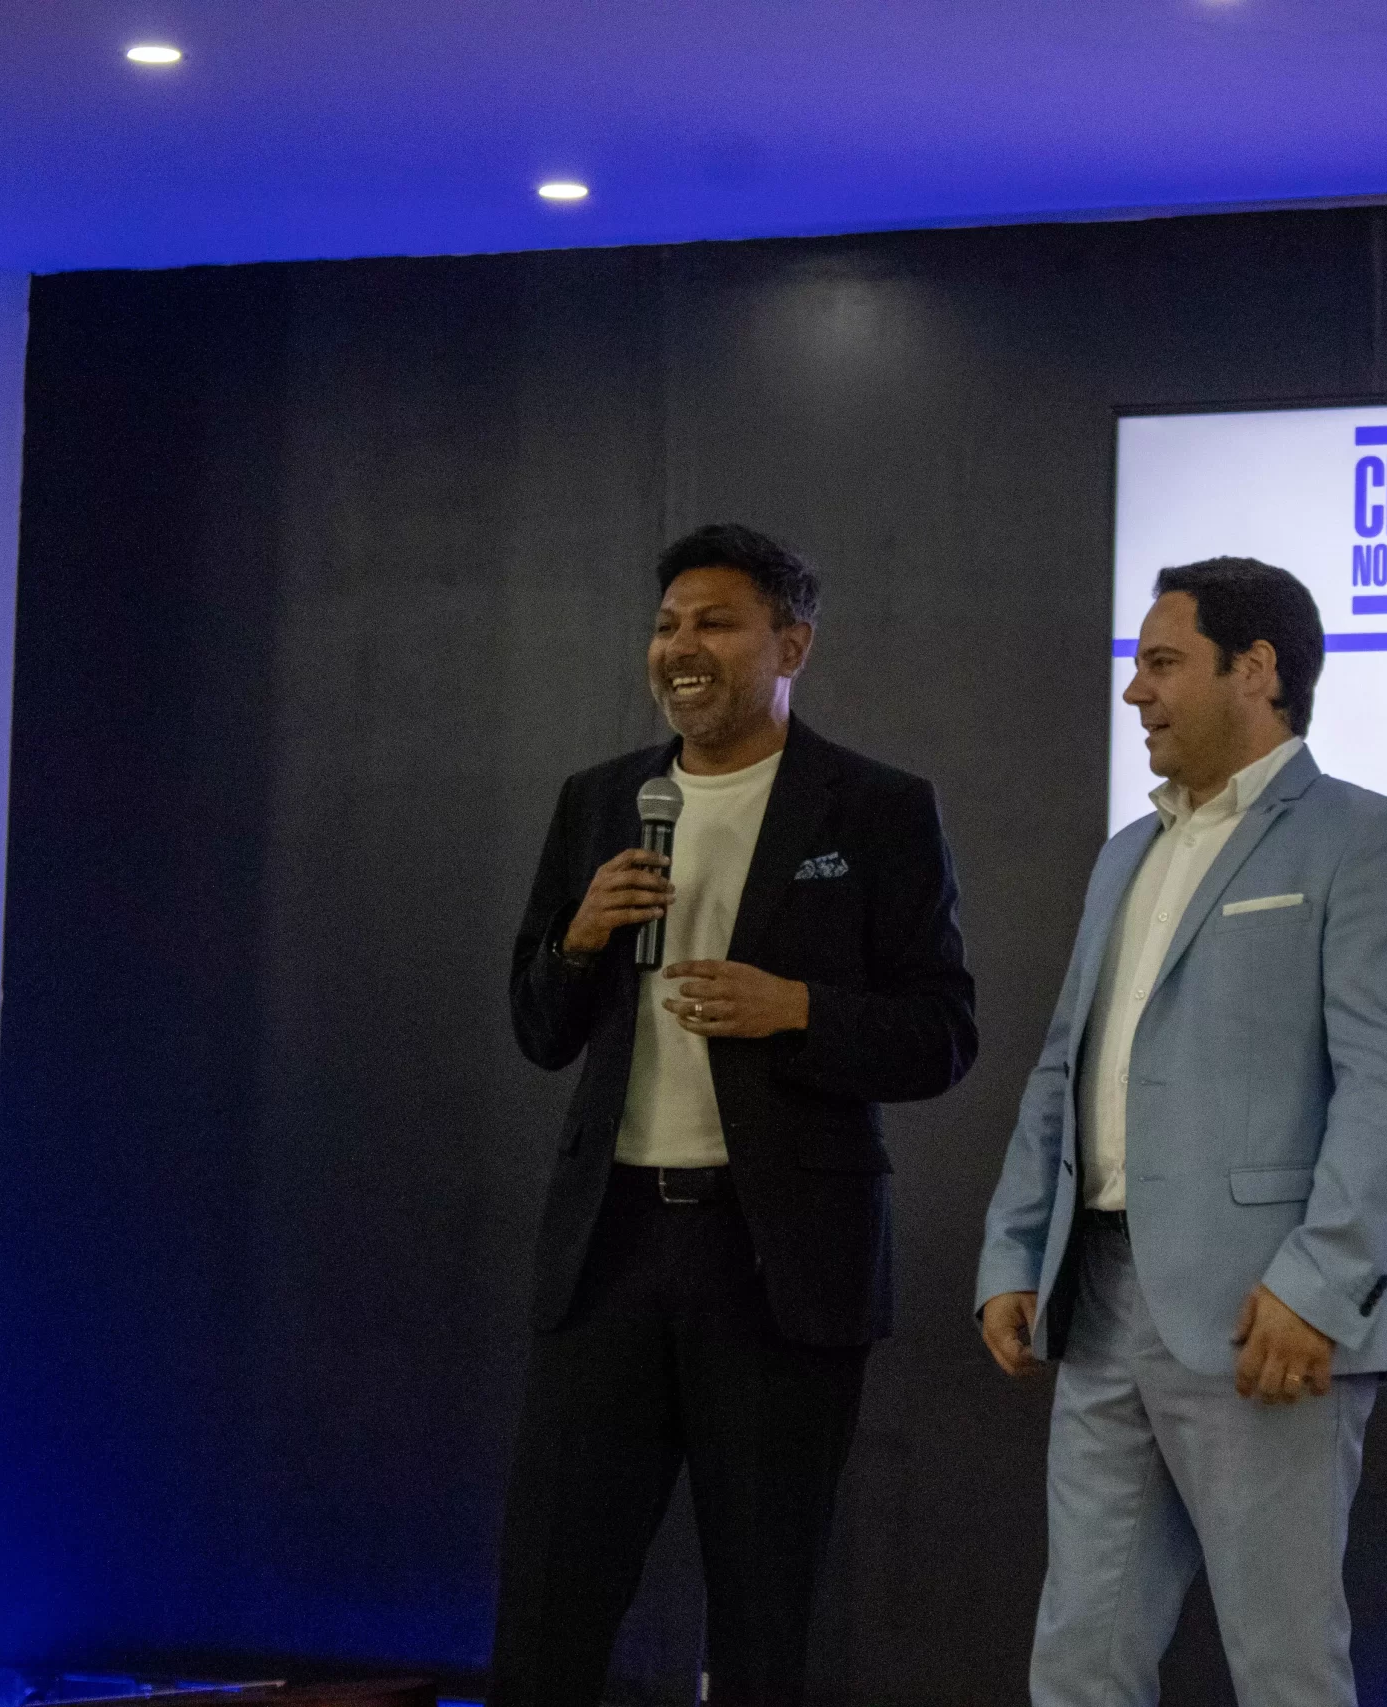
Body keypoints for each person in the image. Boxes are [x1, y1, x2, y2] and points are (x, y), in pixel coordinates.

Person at [491, 524, 978, 1707]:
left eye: (715, 622)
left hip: (777, 1261)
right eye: (666, 625)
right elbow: (539, 1029)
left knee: (765, 1614)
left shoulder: (874, 809)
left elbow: (941, 1034)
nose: (680, 648)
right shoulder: (602, 801)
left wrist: (796, 1008)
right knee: (551, 1601)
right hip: (609, 1249)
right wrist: (578, 939)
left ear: (790, 645)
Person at [974, 557, 1387, 1706]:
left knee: (1283, 1668)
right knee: (1079, 1659)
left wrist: (1319, 1286)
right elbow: (1063, 1065)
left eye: (1161, 662)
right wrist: (1013, 1250)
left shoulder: (1366, 839)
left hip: (1263, 1318)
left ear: (1257, 670)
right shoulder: (1125, 853)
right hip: (1096, 1303)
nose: (1134, 691)